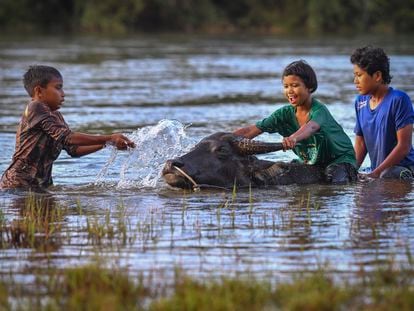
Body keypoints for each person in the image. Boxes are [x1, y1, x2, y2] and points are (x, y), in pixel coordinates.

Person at [0, 65, 135, 190]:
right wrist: (109, 137)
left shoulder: (56, 116)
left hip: (41, 185)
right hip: (18, 184)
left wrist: (108, 143)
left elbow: (74, 150)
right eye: (58, 87)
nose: (63, 93)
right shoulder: (35, 107)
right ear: (39, 91)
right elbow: (68, 137)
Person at [234, 60, 357, 183]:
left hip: (340, 159)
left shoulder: (319, 110)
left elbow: (311, 127)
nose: (289, 91)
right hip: (312, 162)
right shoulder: (283, 114)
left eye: (295, 85)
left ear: (310, 87)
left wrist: (293, 138)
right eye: (286, 86)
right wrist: (227, 140)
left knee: (333, 181)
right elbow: (253, 129)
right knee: (282, 174)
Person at [351, 46, 414, 179]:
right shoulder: (360, 102)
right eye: (354, 75)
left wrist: (376, 174)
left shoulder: (399, 99)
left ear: (377, 76)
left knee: (389, 175)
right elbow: (361, 144)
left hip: (403, 169)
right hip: (378, 171)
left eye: (359, 75)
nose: (355, 81)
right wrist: (351, 171)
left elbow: (404, 146)